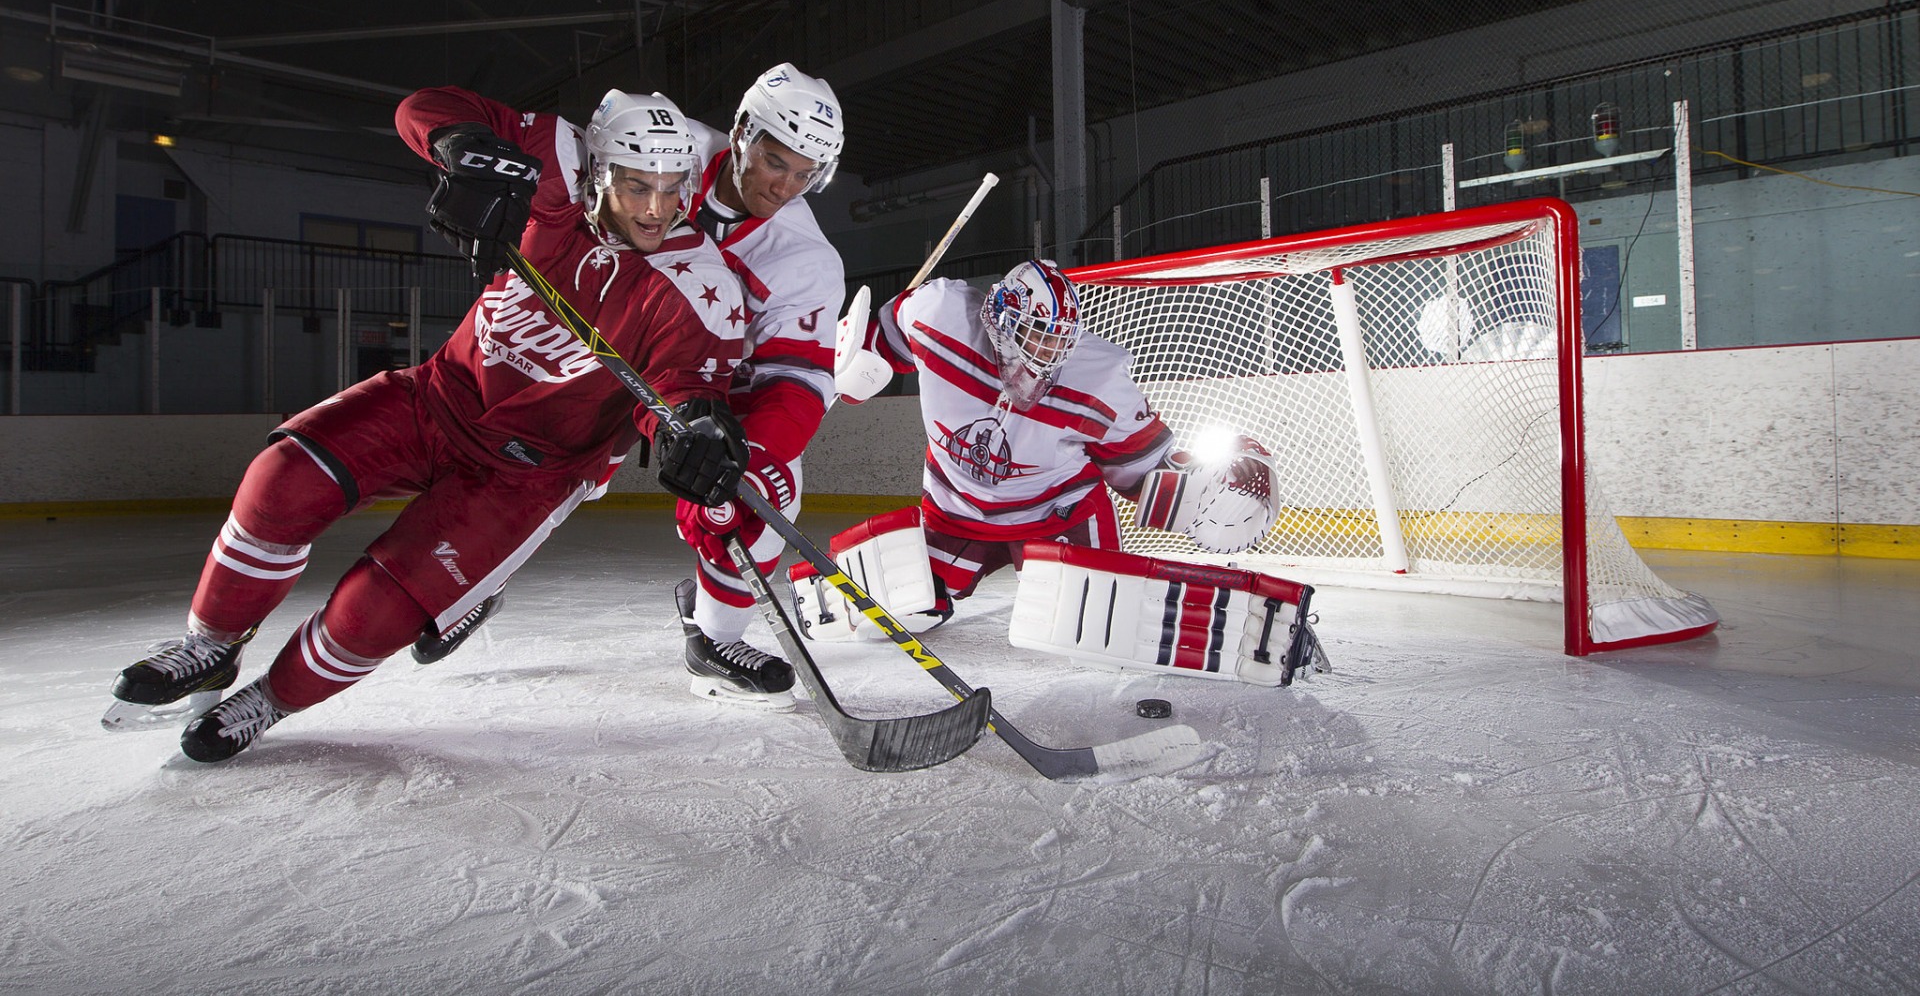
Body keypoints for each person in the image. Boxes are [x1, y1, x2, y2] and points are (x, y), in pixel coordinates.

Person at [104, 86, 750, 762]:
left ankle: (270, 700)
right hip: (436, 398)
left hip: (523, 477)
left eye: (673, 188)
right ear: (597, 172)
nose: (656, 208)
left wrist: (695, 424)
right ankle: (210, 646)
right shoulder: (556, 160)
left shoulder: (697, 283)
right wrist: (467, 149)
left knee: (374, 612)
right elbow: (423, 107)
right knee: (281, 480)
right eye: (636, 186)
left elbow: (683, 387)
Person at [804, 260, 1276, 635]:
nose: (1046, 357)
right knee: (894, 607)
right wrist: (844, 360)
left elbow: (1140, 465)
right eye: (1036, 337)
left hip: (1057, 515)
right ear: (999, 318)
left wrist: (1197, 494)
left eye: (1058, 342)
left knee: (1096, 624)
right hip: (955, 509)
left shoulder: (1099, 380)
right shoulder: (938, 313)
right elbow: (880, 336)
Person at [666, 63, 849, 710]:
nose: (787, 187)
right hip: (599, 331)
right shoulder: (666, 146)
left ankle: (712, 641)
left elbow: (797, 384)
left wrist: (755, 456)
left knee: (776, 485)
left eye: (806, 175)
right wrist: (470, 153)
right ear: (742, 131)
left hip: (703, 387)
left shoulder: (804, 256)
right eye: (777, 162)